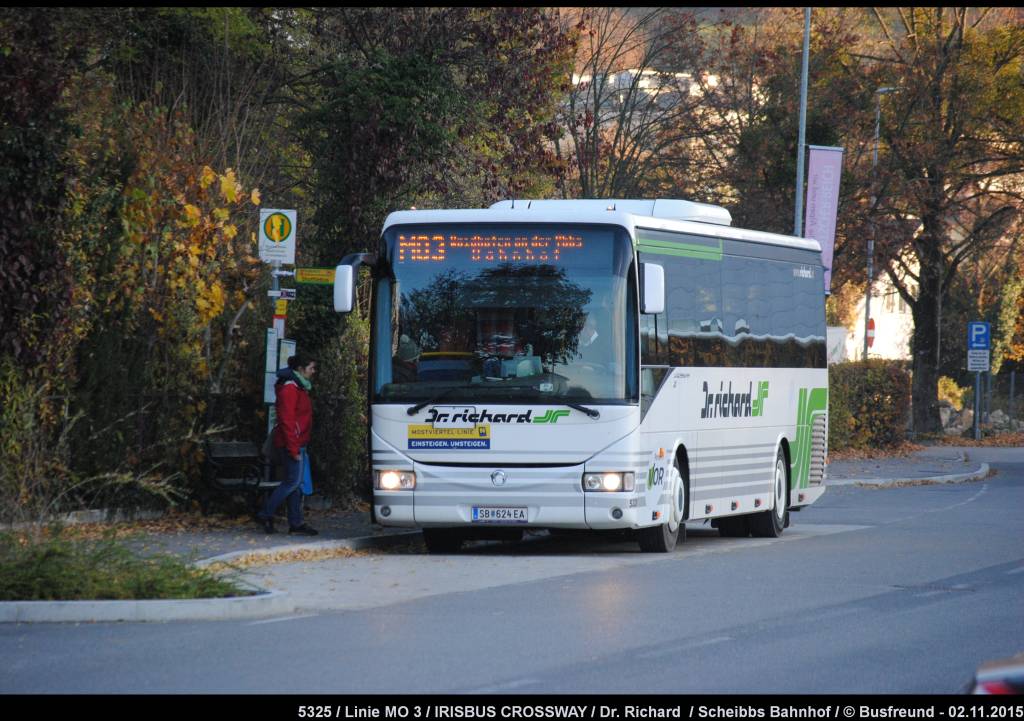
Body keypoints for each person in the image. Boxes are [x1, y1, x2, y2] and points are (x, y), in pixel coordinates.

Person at [256, 353, 318, 535]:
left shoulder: (298, 387)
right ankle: (266, 513)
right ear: (300, 369)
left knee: (295, 484)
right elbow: (287, 421)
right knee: (291, 482)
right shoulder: (290, 389)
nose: (313, 372)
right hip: (292, 443)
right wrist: (293, 449)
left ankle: (296, 522)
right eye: (311, 368)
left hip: (297, 442)